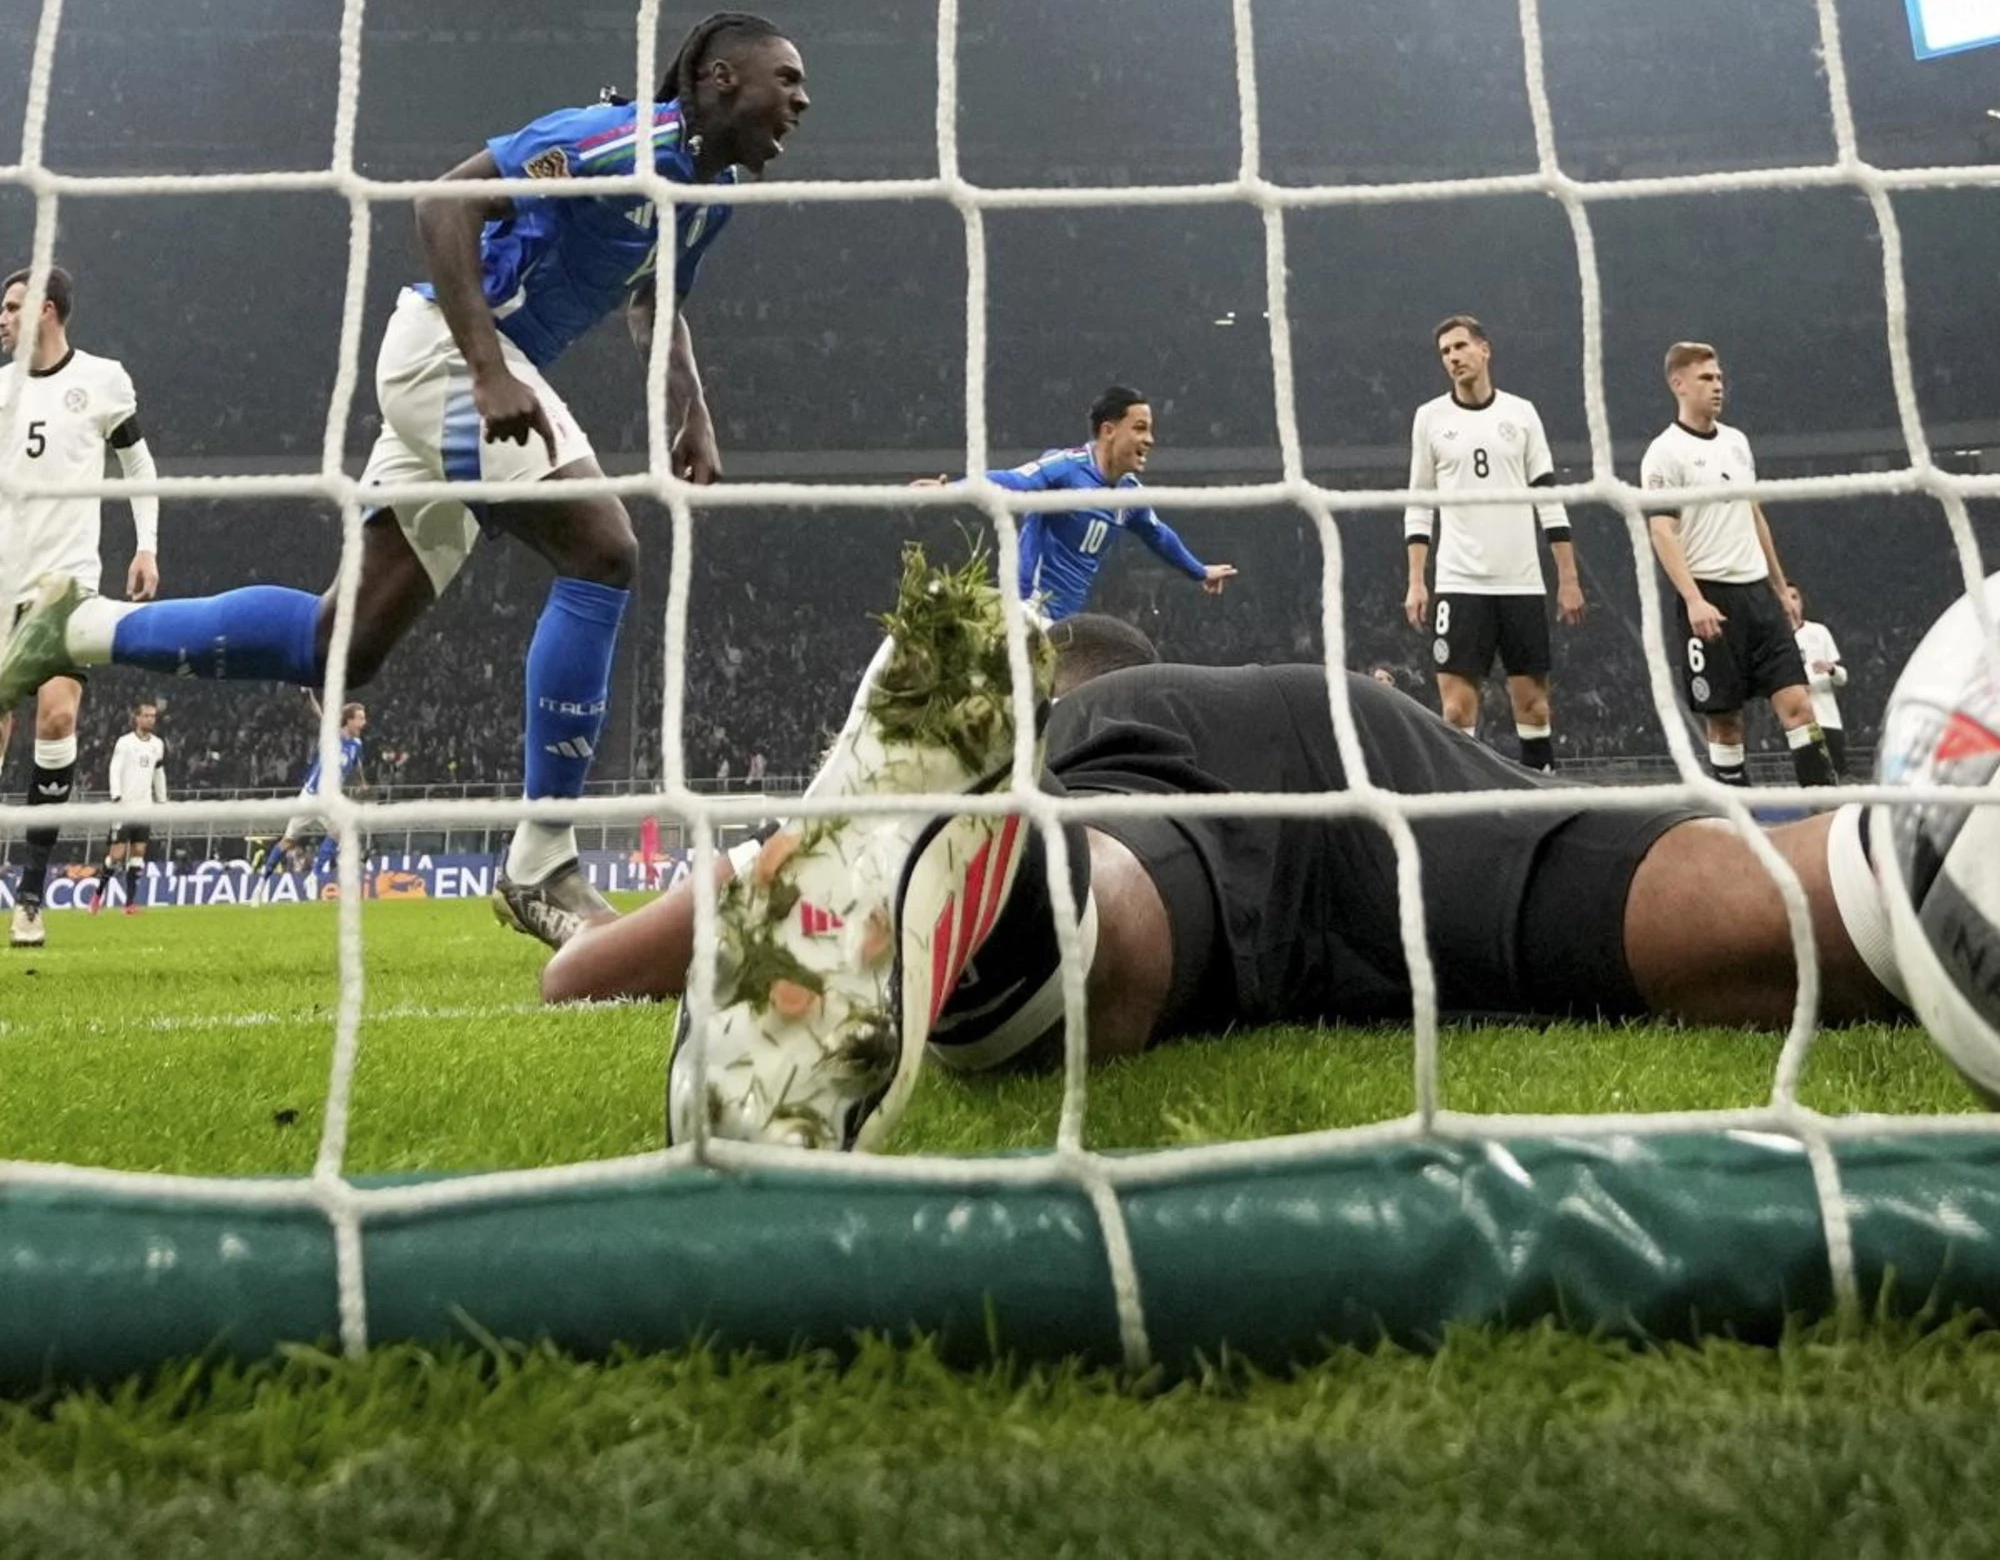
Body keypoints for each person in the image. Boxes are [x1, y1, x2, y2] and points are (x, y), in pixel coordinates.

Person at [539, 571, 1904, 1157]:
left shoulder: (1097, 717)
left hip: (1133, 796)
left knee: (1121, 935)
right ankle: (1924, 878)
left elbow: (596, 971)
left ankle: (1001, 895)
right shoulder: (1227, 685)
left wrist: (605, 948)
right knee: (1695, 910)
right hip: (1360, 741)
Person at [0, 15, 811, 950]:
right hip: (451, 355)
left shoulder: (713, 193)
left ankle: (78, 626)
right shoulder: (608, 141)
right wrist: (487, 367)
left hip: (482, 368)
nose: (800, 100)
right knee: (604, 548)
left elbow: (655, 298)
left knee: (337, 643)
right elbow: (442, 204)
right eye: (785, 78)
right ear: (717, 78)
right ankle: (543, 859)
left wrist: (690, 407)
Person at [1, 263, 160, 952]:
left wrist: (146, 544)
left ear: (49, 309)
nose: (2, 317)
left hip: (66, 583)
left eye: (11, 306)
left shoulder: (102, 379)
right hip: (1, 579)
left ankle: (31, 894)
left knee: (58, 714)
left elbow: (138, 464)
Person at [1641, 344, 1836, 790]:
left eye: (1719, 378)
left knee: (1800, 707)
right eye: (1707, 378)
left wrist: (1780, 585)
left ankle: (1825, 811)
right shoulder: (1664, 453)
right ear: (1679, 384)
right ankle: (1739, 827)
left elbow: (1754, 515)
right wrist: (1693, 600)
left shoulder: (1737, 442)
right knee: (1726, 724)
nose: (1717, 385)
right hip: (1710, 597)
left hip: (1758, 596)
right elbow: (1662, 531)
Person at [1403, 313, 1583, 769]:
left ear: (1485, 350)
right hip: (1460, 581)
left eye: (1460, 346)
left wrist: (1568, 578)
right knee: (1456, 711)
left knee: (1535, 708)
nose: (1453, 358)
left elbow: (1549, 498)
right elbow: (1420, 502)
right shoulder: (1429, 418)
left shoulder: (1521, 414)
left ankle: (1545, 803)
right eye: (1445, 352)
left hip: (1521, 582)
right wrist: (1416, 581)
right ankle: (1468, 811)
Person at [963, 386, 1238, 624]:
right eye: (1140, 428)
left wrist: (1200, 571)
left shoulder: (1129, 495)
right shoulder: (1067, 468)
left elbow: (1159, 535)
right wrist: (951, 488)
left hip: (1064, 622)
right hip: (1027, 609)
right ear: (1109, 430)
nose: (1150, 440)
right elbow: (1014, 480)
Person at [254, 700, 368, 894]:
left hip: (329, 799)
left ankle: (313, 876)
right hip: (310, 796)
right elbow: (320, 715)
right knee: (288, 840)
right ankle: (261, 884)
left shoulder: (356, 744)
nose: (364, 722)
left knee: (339, 831)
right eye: (360, 718)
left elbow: (356, 766)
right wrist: (308, 696)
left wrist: (361, 782)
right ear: (348, 720)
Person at [89, 699, 167, 915]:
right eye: (147, 716)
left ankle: (129, 904)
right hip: (124, 806)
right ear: (137, 718)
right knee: (116, 855)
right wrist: (116, 796)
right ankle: (97, 896)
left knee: (138, 853)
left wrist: (162, 800)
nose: (151, 719)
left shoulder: (157, 744)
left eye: (153, 716)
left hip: (144, 807)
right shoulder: (125, 742)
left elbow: (158, 771)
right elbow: (115, 769)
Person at [1786, 585, 1849, 780]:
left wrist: (1830, 669)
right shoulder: (1777, 639)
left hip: (1827, 718)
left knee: (1838, 776)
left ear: (1801, 602)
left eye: (1794, 597)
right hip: (1800, 724)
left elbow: (1842, 677)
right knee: (1810, 780)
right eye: (1785, 597)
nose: (1790, 602)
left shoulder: (1819, 632)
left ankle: (1840, 810)